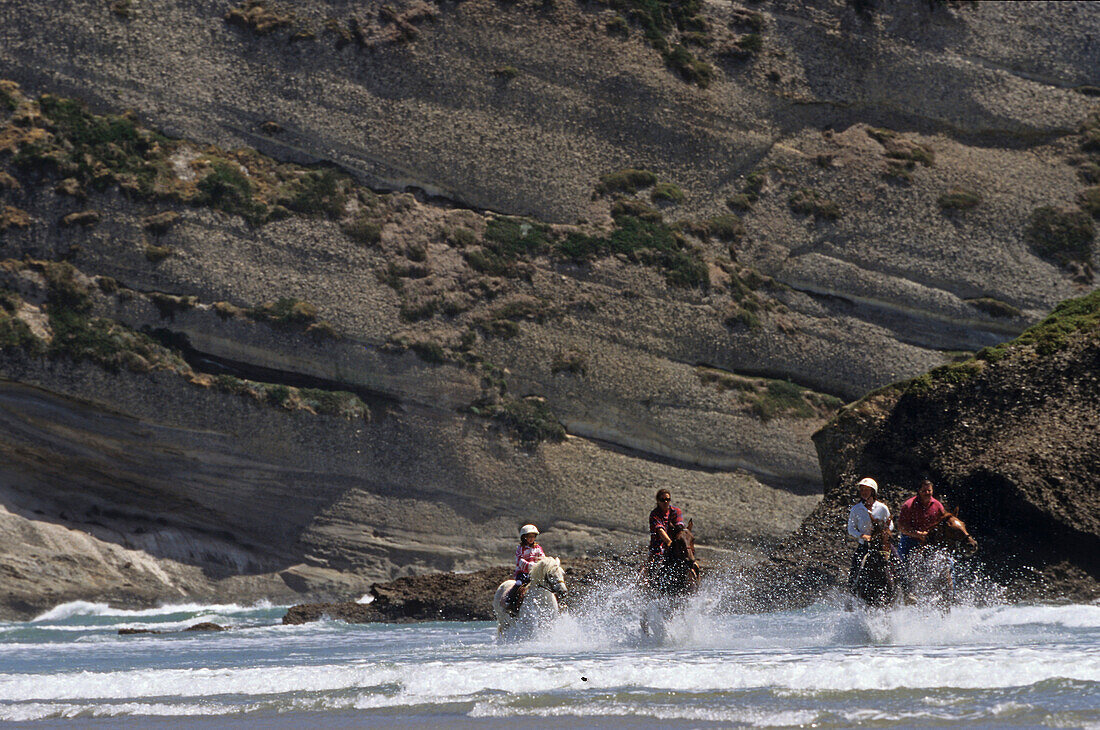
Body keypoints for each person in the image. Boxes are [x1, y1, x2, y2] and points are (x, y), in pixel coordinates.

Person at [846, 476, 903, 596]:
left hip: (882, 545)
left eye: (866, 490)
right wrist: (862, 535)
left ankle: (907, 593)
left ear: (873, 491)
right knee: (855, 567)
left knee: (898, 563)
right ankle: (851, 594)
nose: (864, 492)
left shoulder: (882, 508)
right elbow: (851, 529)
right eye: (862, 490)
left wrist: (884, 533)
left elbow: (890, 524)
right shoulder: (856, 509)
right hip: (865, 545)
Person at [897, 477, 947, 561]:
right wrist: (919, 534)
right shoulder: (908, 505)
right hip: (911, 539)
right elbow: (901, 526)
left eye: (929, 491)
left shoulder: (938, 506)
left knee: (949, 563)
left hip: (931, 540)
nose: (927, 493)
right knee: (902, 561)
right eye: (924, 491)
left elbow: (944, 523)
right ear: (919, 491)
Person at [505, 524, 545, 611]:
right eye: (529, 537)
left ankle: (558, 603)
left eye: (533, 536)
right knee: (519, 584)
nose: (531, 539)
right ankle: (510, 602)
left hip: (535, 573)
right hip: (522, 572)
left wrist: (539, 565)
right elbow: (520, 560)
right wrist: (530, 566)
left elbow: (542, 558)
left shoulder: (538, 548)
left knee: (547, 584)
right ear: (524, 537)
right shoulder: (520, 548)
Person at [649, 488, 685, 565]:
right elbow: (660, 530)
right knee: (647, 568)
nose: (665, 502)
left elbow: (680, 526)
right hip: (658, 549)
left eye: (668, 499)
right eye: (663, 500)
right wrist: (669, 542)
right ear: (658, 501)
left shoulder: (676, 511)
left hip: (675, 547)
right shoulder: (654, 514)